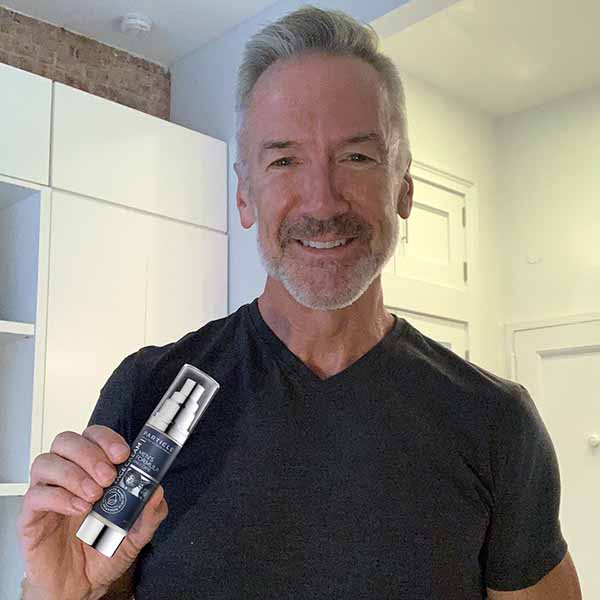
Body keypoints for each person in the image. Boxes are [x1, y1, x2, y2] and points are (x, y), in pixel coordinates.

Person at [17, 6, 582, 600]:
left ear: (405, 187)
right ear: (244, 195)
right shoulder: (149, 394)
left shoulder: (497, 424)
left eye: (358, 157)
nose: (321, 201)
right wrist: (60, 592)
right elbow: (80, 578)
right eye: (284, 159)